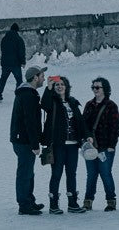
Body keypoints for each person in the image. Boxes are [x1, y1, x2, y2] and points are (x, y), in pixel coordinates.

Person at [41, 75, 87, 214]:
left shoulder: (73, 102)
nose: (59, 87)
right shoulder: (52, 102)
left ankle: (73, 203)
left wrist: (88, 136)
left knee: (71, 174)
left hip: (73, 144)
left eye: (62, 84)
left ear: (66, 87)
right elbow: (44, 104)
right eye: (57, 85)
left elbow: (81, 122)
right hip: (58, 144)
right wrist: (48, 89)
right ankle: (53, 204)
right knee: (56, 174)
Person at [10, 65, 46, 215]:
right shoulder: (28, 95)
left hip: (22, 139)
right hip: (23, 141)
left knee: (28, 172)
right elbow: (29, 121)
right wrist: (34, 144)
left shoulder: (29, 93)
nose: (43, 78)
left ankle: (29, 200)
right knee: (25, 173)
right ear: (35, 78)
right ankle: (24, 205)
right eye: (42, 76)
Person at [82, 77, 119, 211]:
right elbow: (83, 125)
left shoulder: (111, 106)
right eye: (93, 87)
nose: (95, 90)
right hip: (91, 146)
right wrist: (85, 139)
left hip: (105, 146)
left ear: (105, 89)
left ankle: (111, 200)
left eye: (97, 87)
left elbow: (115, 127)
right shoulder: (89, 105)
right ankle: (88, 200)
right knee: (91, 174)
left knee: (105, 173)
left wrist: (111, 145)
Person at [0, 22, 27, 101]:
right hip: (15, 64)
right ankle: (19, 94)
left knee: (3, 79)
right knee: (19, 80)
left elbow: (3, 50)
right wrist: (23, 62)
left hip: (5, 63)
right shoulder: (19, 39)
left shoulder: (4, 39)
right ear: (17, 30)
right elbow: (21, 52)